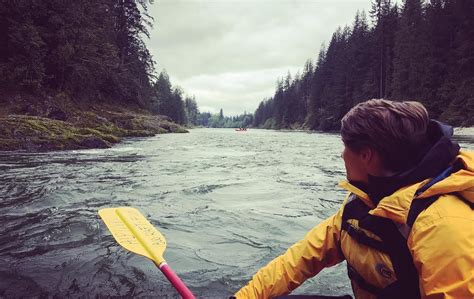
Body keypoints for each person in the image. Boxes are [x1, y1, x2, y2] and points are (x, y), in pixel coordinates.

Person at [234, 99, 473, 299]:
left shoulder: (442, 225)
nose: (341, 154)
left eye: (345, 146)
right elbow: (298, 260)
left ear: (366, 156)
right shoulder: (364, 200)